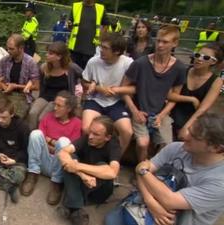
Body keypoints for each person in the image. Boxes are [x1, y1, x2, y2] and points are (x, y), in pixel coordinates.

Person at [105, 113, 224, 225]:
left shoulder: (219, 182)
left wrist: (143, 172)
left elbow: (169, 200)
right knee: (110, 220)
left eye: (195, 137)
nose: (185, 136)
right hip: (150, 207)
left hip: (178, 221)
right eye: (189, 131)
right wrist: (150, 202)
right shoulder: (177, 148)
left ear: (215, 148)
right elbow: (141, 170)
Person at [121, 25, 187, 162]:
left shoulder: (179, 68)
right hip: (139, 109)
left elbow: (174, 96)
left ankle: (156, 169)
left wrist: (162, 115)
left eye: (165, 42)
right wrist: (135, 111)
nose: (160, 45)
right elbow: (124, 89)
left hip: (161, 111)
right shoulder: (141, 63)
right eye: (158, 41)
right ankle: (142, 168)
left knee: (168, 145)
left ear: (175, 43)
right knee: (142, 142)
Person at [21, 91, 82, 205]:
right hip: (42, 161)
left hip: (60, 165)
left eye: (59, 106)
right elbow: (40, 140)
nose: (54, 108)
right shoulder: (48, 117)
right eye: (55, 104)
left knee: (63, 142)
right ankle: (32, 173)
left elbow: (71, 149)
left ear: (68, 108)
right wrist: (55, 146)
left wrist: (51, 141)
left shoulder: (77, 123)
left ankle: (57, 183)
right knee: (35, 134)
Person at [58, 116, 121, 225]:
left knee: (102, 166)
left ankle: (71, 204)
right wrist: (82, 175)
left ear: (107, 137)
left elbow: (112, 172)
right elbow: (62, 153)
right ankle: (76, 208)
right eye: (90, 132)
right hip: (84, 180)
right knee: (70, 158)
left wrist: (78, 167)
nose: (90, 137)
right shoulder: (87, 138)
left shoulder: (114, 146)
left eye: (96, 134)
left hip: (99, 192)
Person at [81, 32, 134, 152]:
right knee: (86, 128)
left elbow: (135, 88)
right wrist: (99, 88)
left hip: (116, 102)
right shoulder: (93, 62)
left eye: (105, 48)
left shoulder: (128, 63)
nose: (100, 50)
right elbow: (84, 83)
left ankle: (115, 158)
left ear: (116, 51)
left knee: (127, 131)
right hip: (95, 100)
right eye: (100, 46)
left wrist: (116, 90)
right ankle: (88, 156)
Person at [169, 43, 223, 140]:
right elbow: (170, 95)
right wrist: (192, 99)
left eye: (206, 57)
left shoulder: (216, 81)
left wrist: (186, 127)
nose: (199, 59)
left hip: (195, 117)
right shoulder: (184, 71)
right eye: (198, 55)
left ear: (213, 62)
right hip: (174, 111)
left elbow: (203, 109)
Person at [27, 41, 82, 130]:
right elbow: (40, 84)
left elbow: (85, 76)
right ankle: (32, 136)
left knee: (42, 118)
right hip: (45, 96)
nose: (47, 55)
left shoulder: (71, 68)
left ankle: (42, 138)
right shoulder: (44, 67)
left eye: (51, 53)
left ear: (59, 56)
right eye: (47, 52)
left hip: (60, 99)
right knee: (32, 113)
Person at [0, 34, 40, 119]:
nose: (8, 51)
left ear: (21, 48)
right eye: (7, 48)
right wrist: (0, 83)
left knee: (13, 117)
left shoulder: (30, 62)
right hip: (4, 92)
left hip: (22, 96)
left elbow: (36, 86)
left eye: (11, 49)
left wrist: (15, 86)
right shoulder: (5, 60)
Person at [67, 0, 109, 69]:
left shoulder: (100, 8)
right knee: (73, 71)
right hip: (75, 48)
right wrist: (69, 24)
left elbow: (106, 24)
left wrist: (100, 37)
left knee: (87, 74)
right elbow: (70, 24)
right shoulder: (75, 6)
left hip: (91, 48)